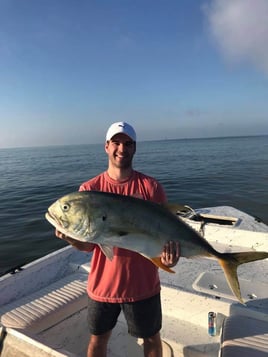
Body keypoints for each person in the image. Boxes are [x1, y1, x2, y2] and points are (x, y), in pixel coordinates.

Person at [56, 122, 180, 357]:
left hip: (143, 285)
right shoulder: (89, 190)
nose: (121, 148)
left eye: (128, 143)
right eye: (116, 142)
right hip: (103, 286)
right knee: (98, 340)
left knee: (152, 339)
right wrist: (71, 239)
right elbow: (89, 245)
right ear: (106, 146)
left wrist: (170, 259)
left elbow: (165, 234)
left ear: (135, 148)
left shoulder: (150, 187)